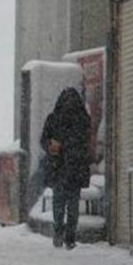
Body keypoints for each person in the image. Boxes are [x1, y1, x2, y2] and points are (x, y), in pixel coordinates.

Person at [40, 87, 91, 250]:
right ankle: (67, 237)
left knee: (62, 205)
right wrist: (50, 145)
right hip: (71, 168)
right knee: (68, 205)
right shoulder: (82, 119)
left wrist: (55, 147)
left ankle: (63, 235)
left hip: (63, 168)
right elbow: (45, 140)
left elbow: (82, 143)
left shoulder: (57, 118)